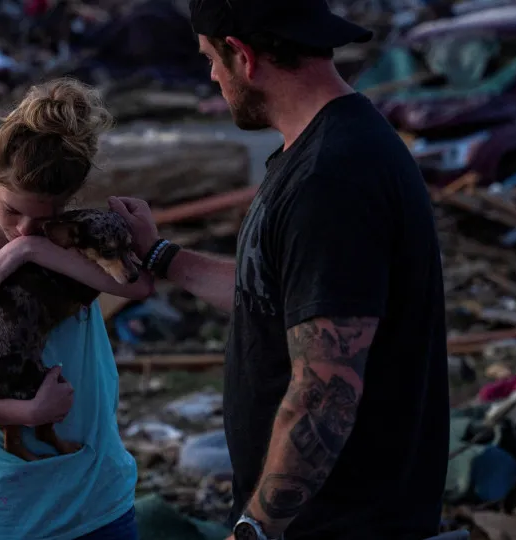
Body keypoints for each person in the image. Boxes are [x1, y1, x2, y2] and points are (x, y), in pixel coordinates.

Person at [107, 1, 450, 539]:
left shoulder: (331, 176)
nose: (213, 76)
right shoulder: (322, 150)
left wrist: (258, 528)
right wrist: (161, 257)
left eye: (211, 59)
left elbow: (323, 390)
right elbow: (278, 295)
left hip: (343, 527)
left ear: (242, 55)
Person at [0, 77, 152, 540]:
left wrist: (35, 252)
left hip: (102, 499)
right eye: (12, 212)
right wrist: (26, 414)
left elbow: (140, 287)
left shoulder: (77, 242)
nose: (24, 230)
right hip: (13, 513)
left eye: (43, 219)